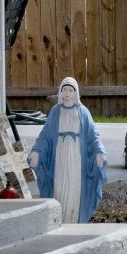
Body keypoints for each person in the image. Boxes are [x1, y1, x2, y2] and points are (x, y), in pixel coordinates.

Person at [32, 77, 106, 221]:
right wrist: (37, 151)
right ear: (60, 92)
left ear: (75, 92)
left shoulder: (83, 112)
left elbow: (93, 135)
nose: (66, 93)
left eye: (70, 90)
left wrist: (99, 152)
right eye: (64, 90)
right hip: (60, 156)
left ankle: (73, 219)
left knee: (74, 187)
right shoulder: (55, 112)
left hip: (76, 158)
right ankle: (60, 218)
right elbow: (45, 135)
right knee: (59, 187)